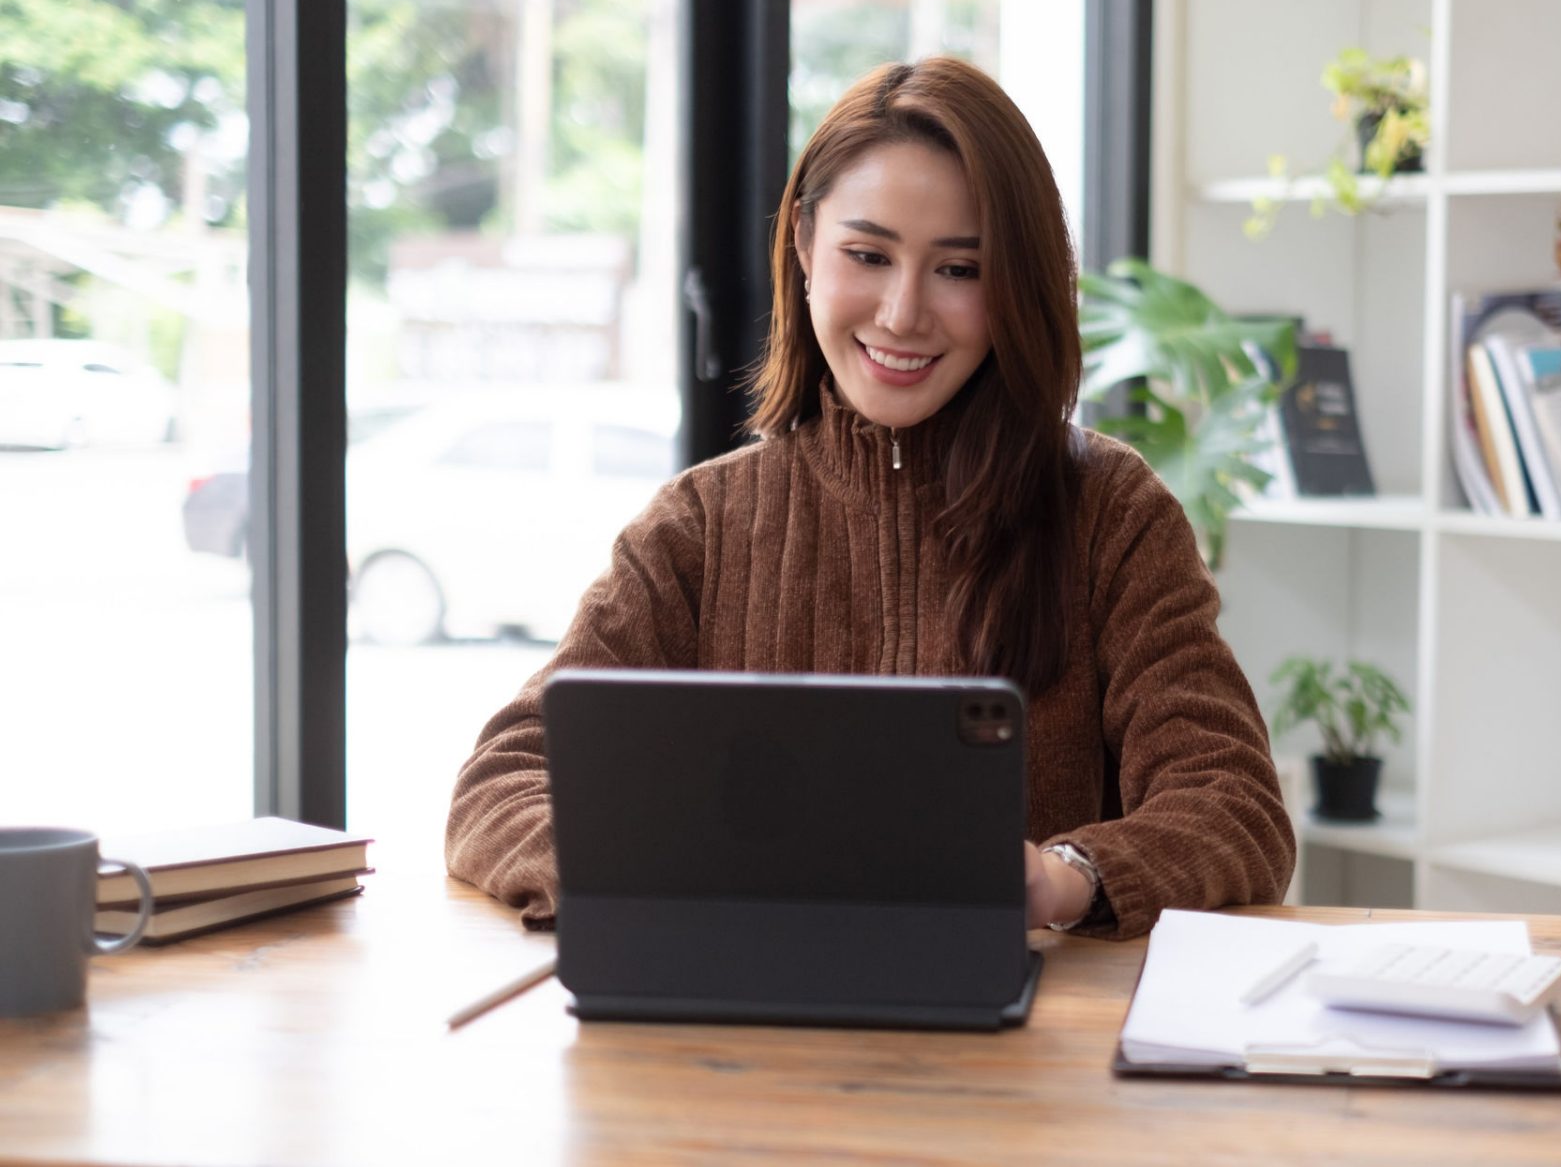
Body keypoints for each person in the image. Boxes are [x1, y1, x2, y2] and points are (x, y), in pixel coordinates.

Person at [446, 57, 1294, 939]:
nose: (901, 313)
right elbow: (502, 780)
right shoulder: (699, 526)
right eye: (868, 254)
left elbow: (1235, 807)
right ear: (806, 246)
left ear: (1015, 285)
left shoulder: (1110, 512)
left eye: (959, 270)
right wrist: (684, 873)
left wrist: (1060, 876)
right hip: (738, 1037)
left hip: (1026, 1046)